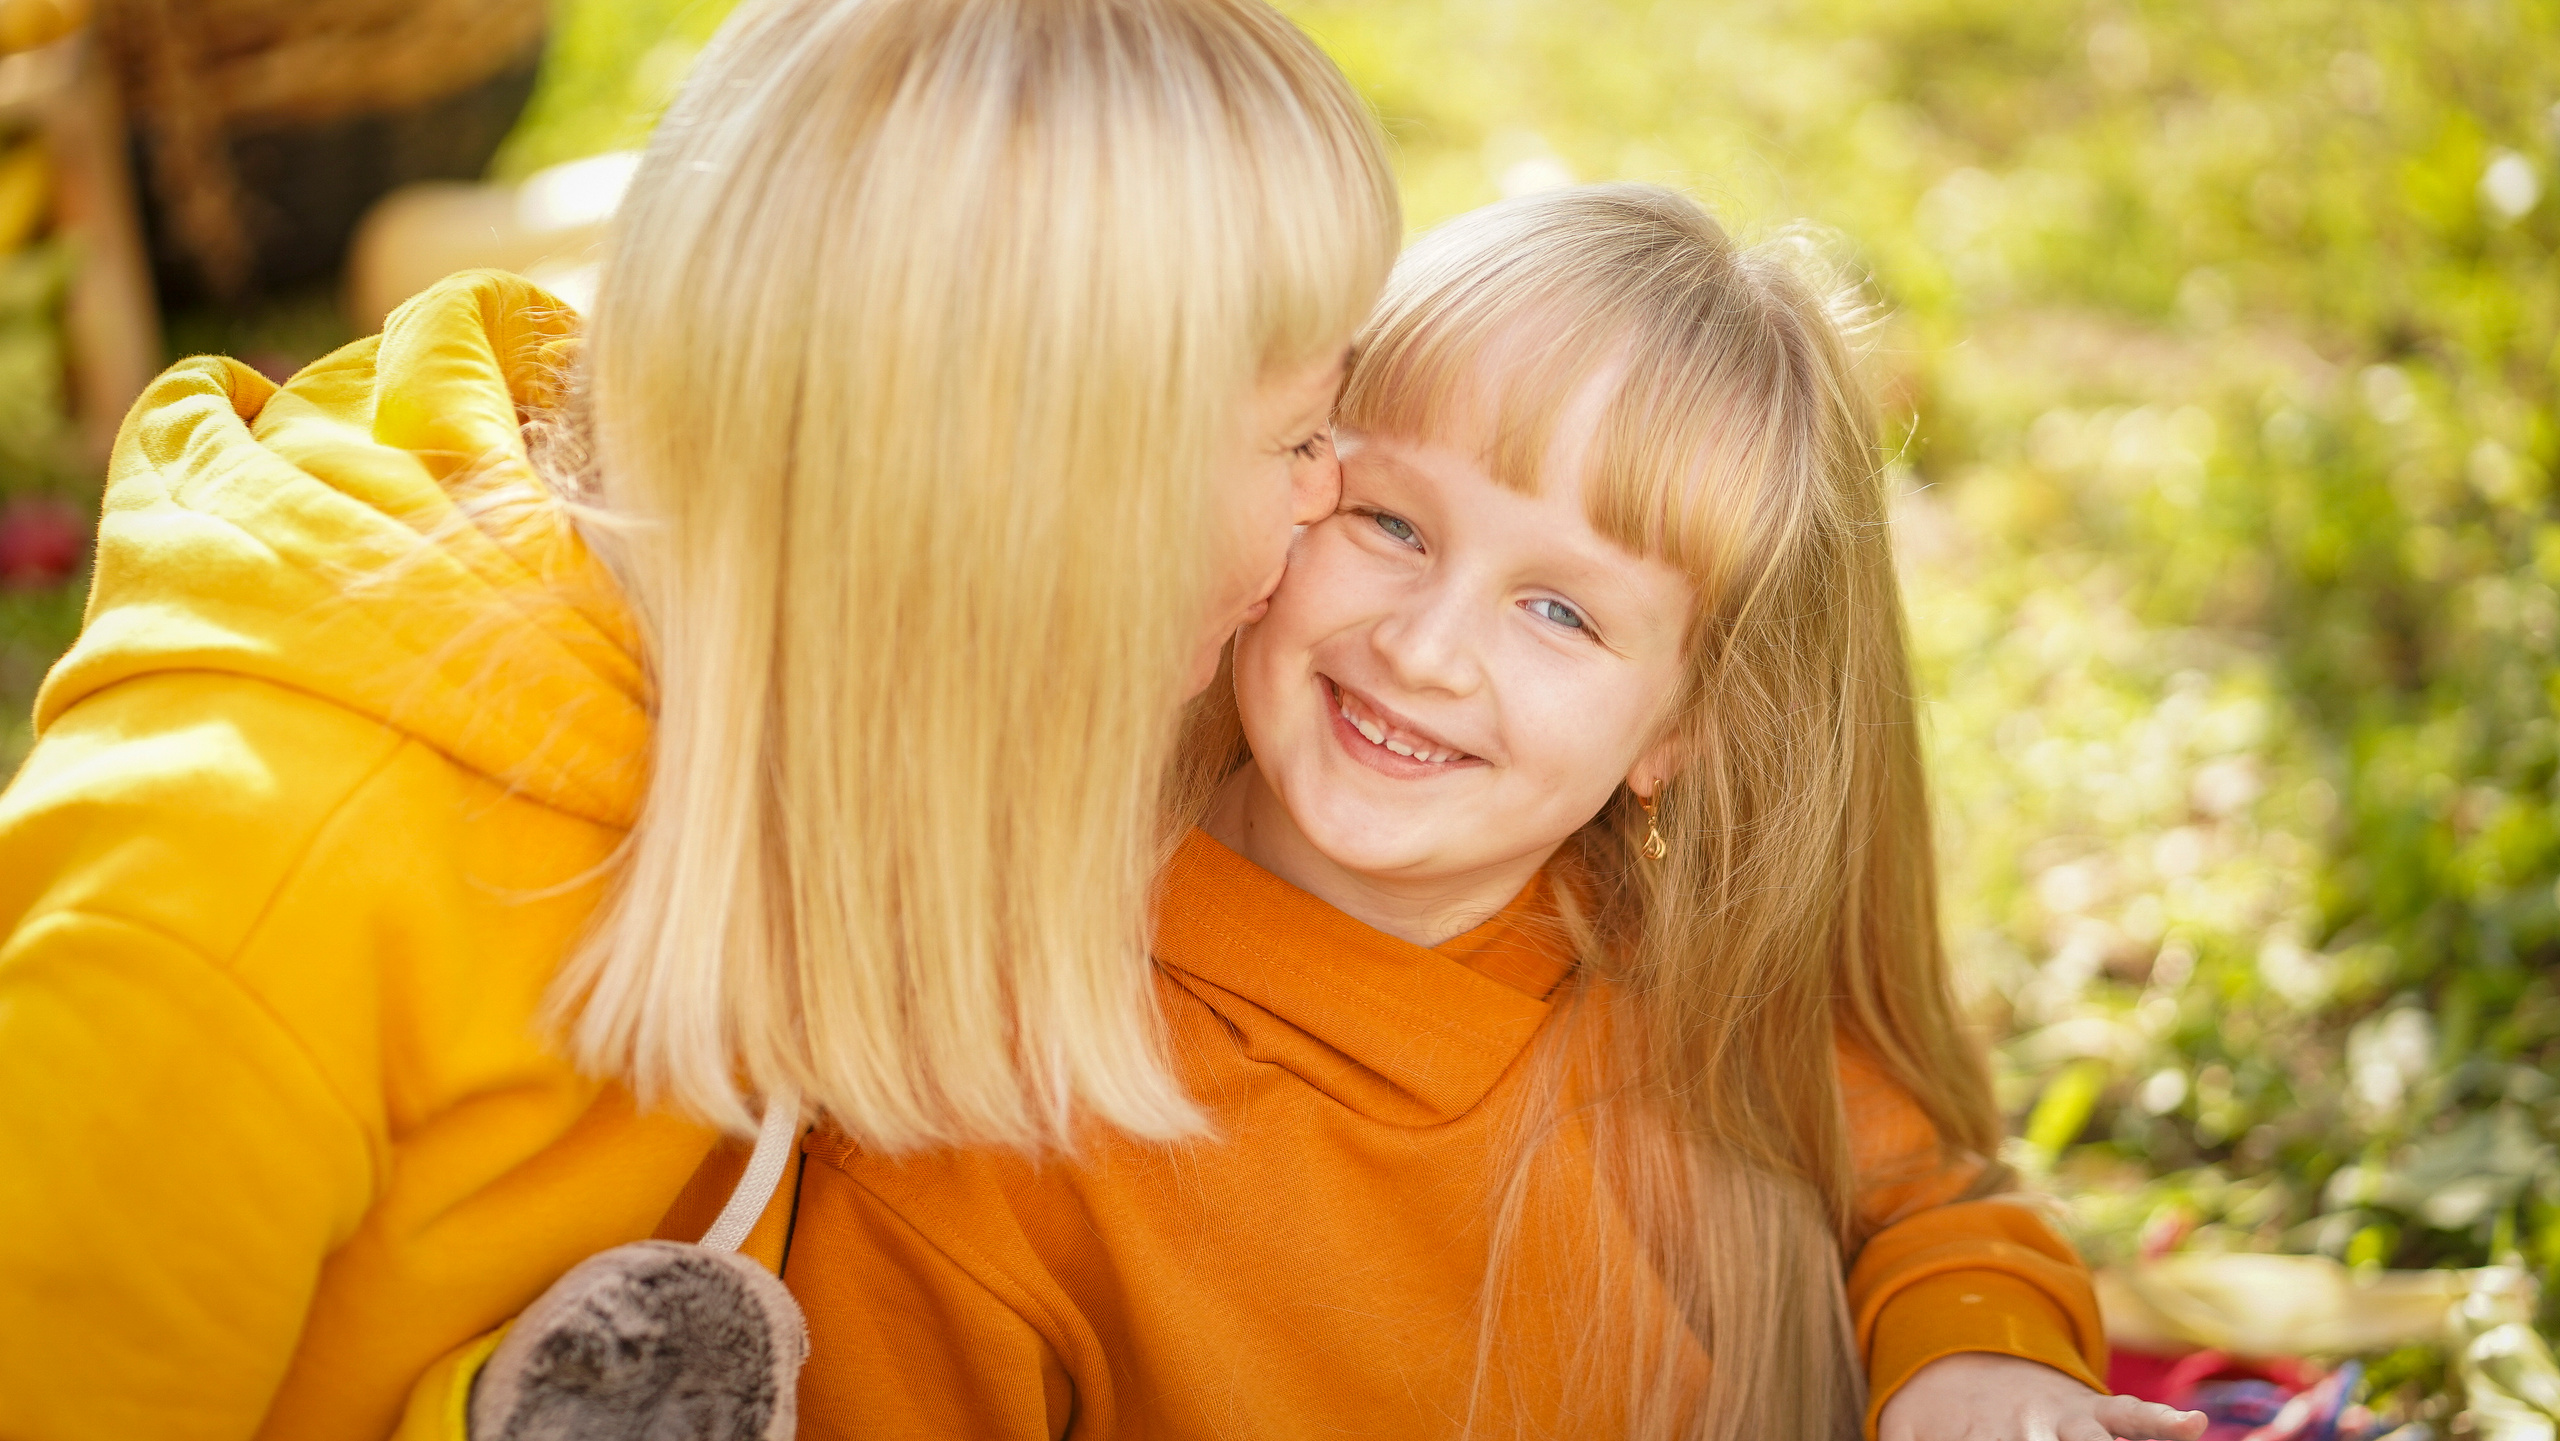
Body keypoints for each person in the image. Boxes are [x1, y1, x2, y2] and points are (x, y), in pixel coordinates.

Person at [0, 1, 1399, 1437]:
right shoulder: (252, 897)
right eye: (1298, 438)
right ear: (1031, 519)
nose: (1330, 495)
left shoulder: (838, 716)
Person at [719, 185, 2216, 1441]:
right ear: (1291, 485)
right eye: (1393, 523)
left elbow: (1927, 1200)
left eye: (1561, 609)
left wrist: (1975, 1361)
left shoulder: (1672, 969)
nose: (1427, 650)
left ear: (1682, 727)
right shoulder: (982, 1115)